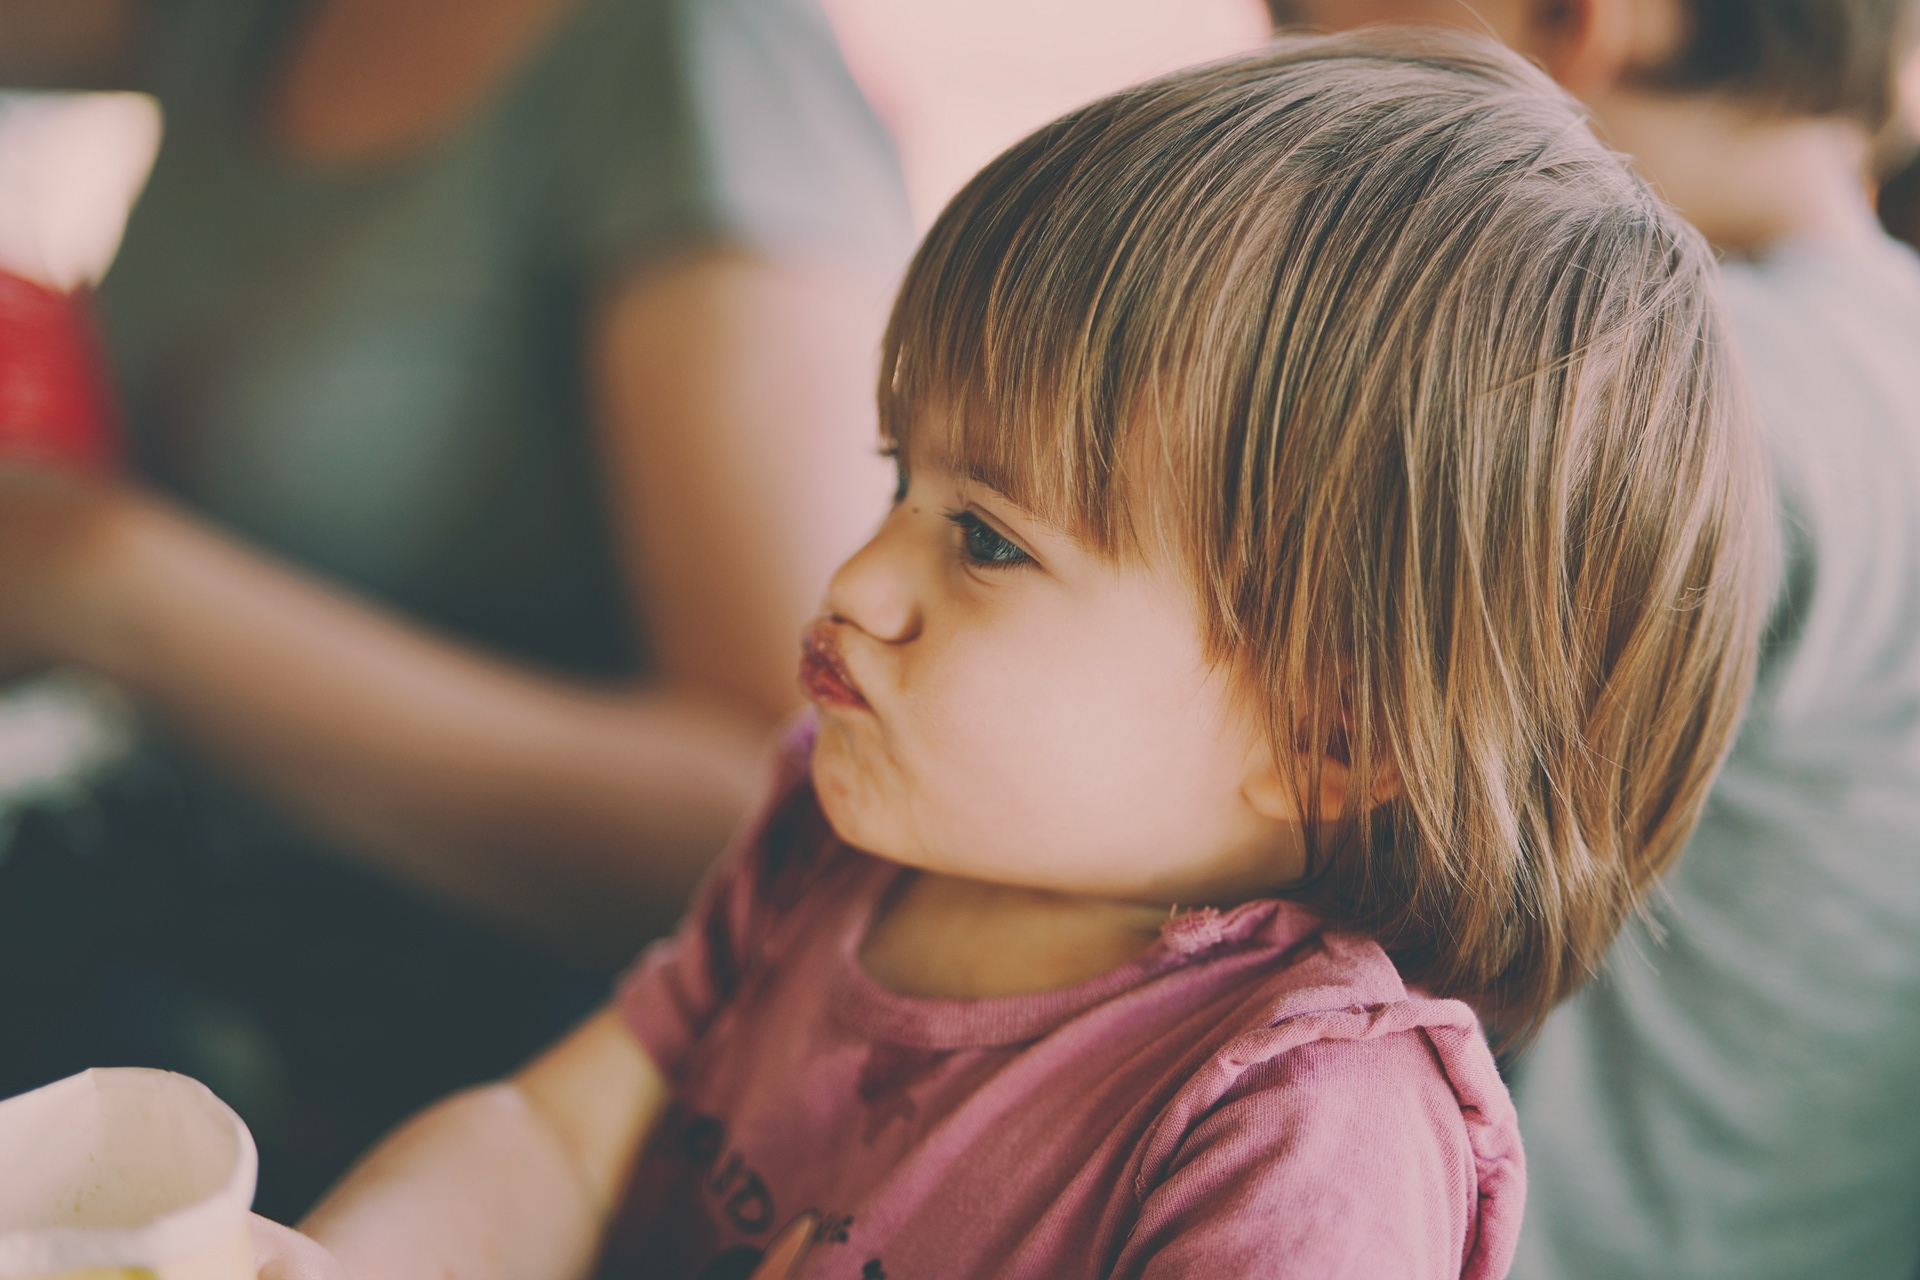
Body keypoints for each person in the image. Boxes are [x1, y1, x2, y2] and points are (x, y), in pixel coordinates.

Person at [240, 29, 1775, 1280]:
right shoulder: (828, 848)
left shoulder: (1296, 1132)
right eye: (897, 479)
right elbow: (559, 1142)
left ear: (1335, 730)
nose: (856, 582)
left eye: (985, 540)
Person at [0, 0, 911, 1215]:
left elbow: (786, 801)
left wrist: (106, 581)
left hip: (477, 1077)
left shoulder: (688, 55)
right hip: (155, 898)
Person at [1260, 3, 1920, 1277]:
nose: (1276, 60)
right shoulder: (1877, 359)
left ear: (1589, 20)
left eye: (1311, 28)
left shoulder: (1681, 402)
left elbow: (1275, 788)